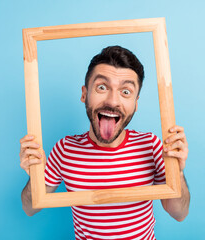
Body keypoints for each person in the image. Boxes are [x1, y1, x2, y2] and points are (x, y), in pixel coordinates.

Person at [19, 46, 190, 240]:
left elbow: (179, 213)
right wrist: (34, 173)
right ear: (85, 94)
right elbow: (29, 208)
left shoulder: (151, 146)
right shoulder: (65, 149)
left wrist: (178, 172)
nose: (112, 101)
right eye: (102, 87)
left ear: (135, 103)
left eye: (126, 91)